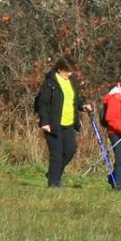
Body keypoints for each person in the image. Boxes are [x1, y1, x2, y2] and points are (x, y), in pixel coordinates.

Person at [33, 59, 89, 188]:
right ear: (59, 69)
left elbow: (75, 99)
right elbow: (43, 103)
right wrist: (44, 122)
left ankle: (54, 173)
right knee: (56, 154)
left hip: (69, 123)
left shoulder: (71, 82)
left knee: (70, 151)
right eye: (67, 71)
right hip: (53, 124)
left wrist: (83, 105)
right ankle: (54, 183)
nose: (69, 74)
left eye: (71, 71)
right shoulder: (50, 83)